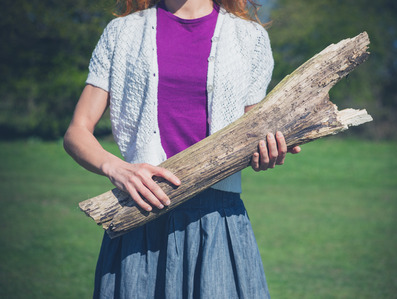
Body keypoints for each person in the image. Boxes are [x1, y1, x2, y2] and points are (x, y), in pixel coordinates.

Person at [64, 0, 301, 297]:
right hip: (140, 217)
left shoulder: (250, 38)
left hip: (217, 220)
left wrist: (268, 150)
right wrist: (119, 170)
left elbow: (254, 133)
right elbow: (76, 132)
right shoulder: (121, 33)